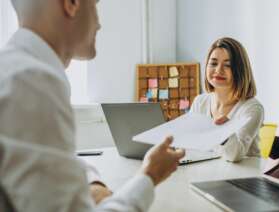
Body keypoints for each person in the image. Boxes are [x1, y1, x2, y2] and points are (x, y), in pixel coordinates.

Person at [0, 0, 185, 211]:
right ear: (71, 4)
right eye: (95, 6)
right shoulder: (32, 82)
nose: (99, 24)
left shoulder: (15, 72)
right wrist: (150, 175)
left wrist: (93, 184)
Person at [190, 37, 264, 162]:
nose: (218, 70)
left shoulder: (252, 108)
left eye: (228, 65)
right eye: (213, 63)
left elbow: (234, 155)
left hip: (242, 176)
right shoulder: (200, 102)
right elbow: (192, 145)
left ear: (240, 70)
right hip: (208, 172)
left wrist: (225, 131)